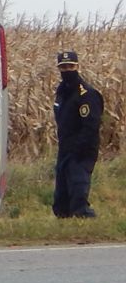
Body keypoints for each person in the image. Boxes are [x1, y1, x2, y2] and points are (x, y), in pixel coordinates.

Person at [54, 49, 104, 218]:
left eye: (70, 66)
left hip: (82, 149)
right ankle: (65, 218)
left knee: (78, 186)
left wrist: (78, 149)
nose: (67, 70)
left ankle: (83, 217)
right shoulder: (61, 93)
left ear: (77, 66)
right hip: (65, 147)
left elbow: (91, 126)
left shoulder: (87, 94)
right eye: (63, 67)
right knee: (61, 195)